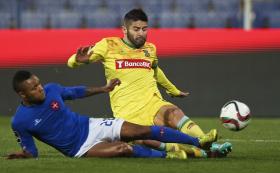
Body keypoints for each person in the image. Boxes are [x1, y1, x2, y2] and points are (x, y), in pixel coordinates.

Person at [67, 9, 232, 156]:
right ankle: (198, 152)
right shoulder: (108, 44)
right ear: (125, 30)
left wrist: (173, 90)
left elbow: (156, 71)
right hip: (127, 111)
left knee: (173, 112)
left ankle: (208, 144)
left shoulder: (150, 49)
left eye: (144, 29)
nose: (141, 33)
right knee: (146, 141)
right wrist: (76, 60)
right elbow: (72, 62)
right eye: (136, 29)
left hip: (152, 103)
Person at [7, 70, 217, 159]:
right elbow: (32, 152)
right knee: (124, 149)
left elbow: (76, 92)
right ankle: (170, 156)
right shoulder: (20, 121)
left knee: (142, 131)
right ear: (22, 94)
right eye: (34, 88)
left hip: (92, 125)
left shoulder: (52, 89)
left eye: (39, 83)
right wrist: (23, 155)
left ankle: (199, 142)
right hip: (80, 148)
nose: (40, 88)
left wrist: (103, 88)